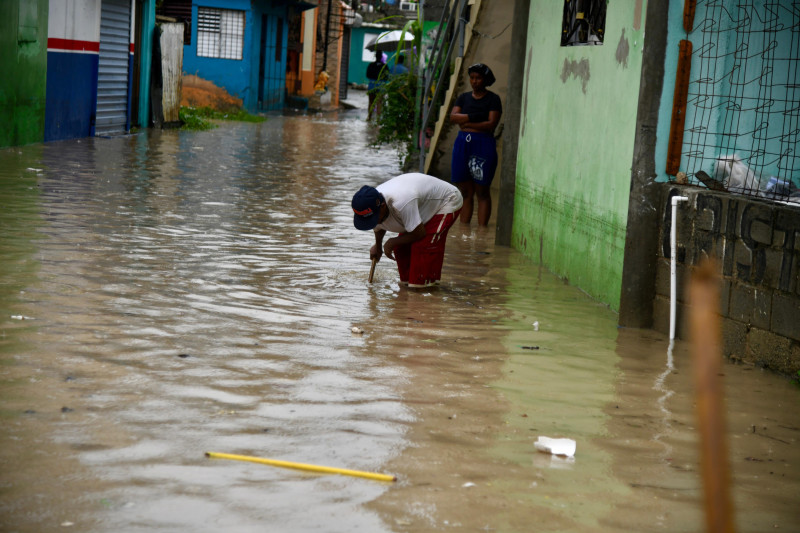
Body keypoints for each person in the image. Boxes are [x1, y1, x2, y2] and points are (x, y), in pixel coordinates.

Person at [352, 173, 463, 288]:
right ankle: (408, 289)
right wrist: (378, 245)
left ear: (383, 206)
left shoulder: (401, 203)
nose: (374, 223)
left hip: (446, 200)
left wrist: (391, 242)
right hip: (419, 204)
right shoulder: (372, 202)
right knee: (401, 249)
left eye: (374, 219)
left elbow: (420, 233)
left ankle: (424, 288)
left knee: (422, 247)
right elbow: (379, 226)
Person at [449, 63, 502, 226]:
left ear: (485, 80)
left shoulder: (493, 99)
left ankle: (482, 230)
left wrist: (467, 120)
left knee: (482, 191)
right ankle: (464, 231)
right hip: (462, 145)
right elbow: (453, 117)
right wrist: (477, 118)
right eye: (472, 78)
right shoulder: (463, 98)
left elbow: (491, 124)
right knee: (465, 191)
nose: (474, 81)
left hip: (483, 145)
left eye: (478, 78)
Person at [366, 51, 387, 121]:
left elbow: (367, 75)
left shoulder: (371, 65)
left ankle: (369, 118)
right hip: (381, 86)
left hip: (372, 85)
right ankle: (378, 120)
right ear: (381, 57)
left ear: (375, 56)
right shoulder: (385, 66)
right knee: (379, 103)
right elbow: (387, 76)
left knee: (371, 102)